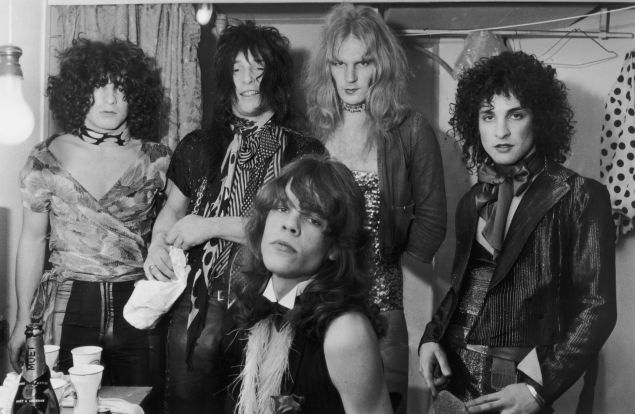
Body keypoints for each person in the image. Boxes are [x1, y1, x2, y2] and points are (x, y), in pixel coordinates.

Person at [418, 51, 616, 413]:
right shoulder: (472, 200)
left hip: (514, 380)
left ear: (539, 118)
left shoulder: (581, 195)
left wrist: (539, 389)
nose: (501, 131)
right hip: (451, 376)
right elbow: (462, 289)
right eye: (488, 116)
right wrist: (430, 339)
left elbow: (597, 309)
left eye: (516, 114)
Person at [143, 21, 324, 412]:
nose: (248, 81)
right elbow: (173, 209)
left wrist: (208, 226)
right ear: (227, 75)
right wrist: (158, 242)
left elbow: (294, 233)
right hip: (197, 305)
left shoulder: (304, 152)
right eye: (238, 69)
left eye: (258, 69)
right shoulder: (198, 144)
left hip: (270, 306)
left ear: (274, 75)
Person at [304, 4, 447, 411]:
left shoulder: (410, 129)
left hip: (385, 304)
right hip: (319, 302)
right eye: (339, 63)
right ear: (327, 68)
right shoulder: (311, 133)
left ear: (379, 66)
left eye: (362, 63)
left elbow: (433, 221)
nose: (349, 77)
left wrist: (394, 274)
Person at [9, 38, 169, 392]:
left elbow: (177, 230)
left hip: (139, 305)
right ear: (79, 90)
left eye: (121, 87)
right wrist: (22, 319)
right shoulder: (44, 158)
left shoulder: (158, 159)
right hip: (68, 305)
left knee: (141, 403)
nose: (110, 99)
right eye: (99, 86)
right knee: (65, 401)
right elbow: (33, 240)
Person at [223, 156, 393, 414]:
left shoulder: (346, 332)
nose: (290, 225)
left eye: (313, 219)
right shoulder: (251, 302)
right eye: (281, 207)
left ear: (336, 247)